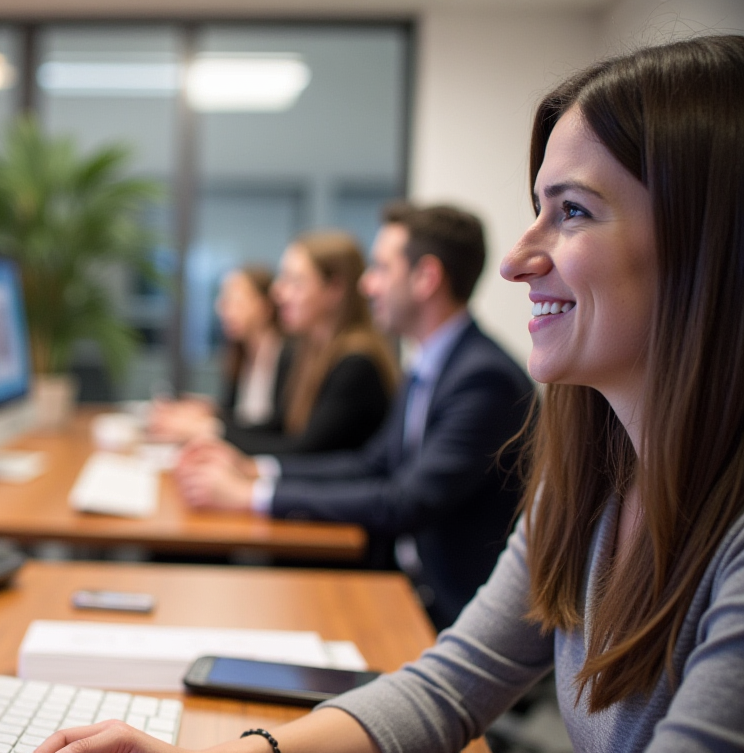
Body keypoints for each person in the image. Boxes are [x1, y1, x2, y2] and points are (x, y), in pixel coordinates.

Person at [15, 35, 744, 753]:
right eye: (537, 210)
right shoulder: (586, 482)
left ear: (709, 243)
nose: (517, 260)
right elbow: (449, 686)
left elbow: (402, 494)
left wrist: (255, 485)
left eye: (574, 211)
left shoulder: (477, 382)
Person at [176, 203, 533, 628]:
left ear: (427, 278)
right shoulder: (431, 365)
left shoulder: (484, 380)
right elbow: (371, 464)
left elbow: (406, 501)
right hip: (403, 588)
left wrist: (251, 497)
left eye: (381, 268)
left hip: (451, 614)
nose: (367, 284)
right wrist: (258, 473)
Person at [151, 233, 396, 456]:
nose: (279, 292)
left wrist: (212, 432)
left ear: (334, 289)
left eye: (295, 281)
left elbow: (305, 450)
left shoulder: (356, 363)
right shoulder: (315, 353)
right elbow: (280, 427)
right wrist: (211, 423)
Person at [149, 266, 292, 443]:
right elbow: (241, 416)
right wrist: (207, 410)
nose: (222, 309)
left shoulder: (287, 356)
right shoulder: (242, 353)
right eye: (223, 300)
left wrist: (208, 426)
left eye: (234, 301)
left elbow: (275, 429)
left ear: (266, 307)